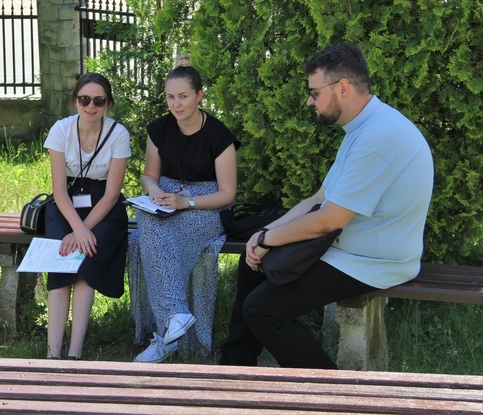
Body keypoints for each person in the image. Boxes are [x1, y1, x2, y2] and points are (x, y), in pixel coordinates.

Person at [219, 42, 434, 369]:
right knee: (251, 266)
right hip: (348, 248)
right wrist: (264, 233)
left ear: (343, 88)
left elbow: (328, 220)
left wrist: (267, 240)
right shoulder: (363, 128)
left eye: (314, 92)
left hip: (374, 261)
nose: (309, 100)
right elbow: (319, 198)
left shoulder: (379, 137)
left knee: (262, 310)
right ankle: (234, 368)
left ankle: (334, 392)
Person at [129, 55, 239, 363]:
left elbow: (227, 194)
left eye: (183, 97)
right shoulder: (159, 129)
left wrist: (186, 202)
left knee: (153, 237)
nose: (176, 104)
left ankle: (166, 334)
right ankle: (175, 317)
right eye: (170, 97)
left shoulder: (219, 135)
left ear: (199, 96)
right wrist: (155, 192)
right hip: (165, 197)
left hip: (205, 205)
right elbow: (149, 175)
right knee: (148, 223)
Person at [43, 72, 132, 360]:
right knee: (62, 259)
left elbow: (111, 194)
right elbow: (58, 190)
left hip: (103, 209)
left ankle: (74, 353)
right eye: (84, 99)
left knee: (86, 260)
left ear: (108, 104)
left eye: (98, 100)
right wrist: (76, 228)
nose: (90, 106)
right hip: (67, 203)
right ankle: (52, 353)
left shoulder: (118, 134)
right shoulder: (60, 130)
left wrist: (83, 230)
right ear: (75, 102)